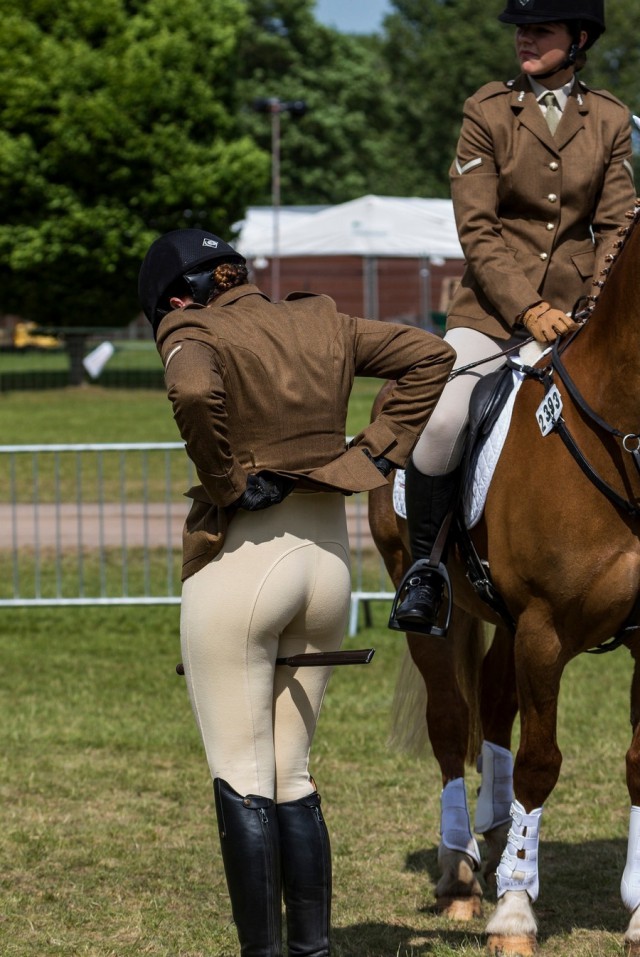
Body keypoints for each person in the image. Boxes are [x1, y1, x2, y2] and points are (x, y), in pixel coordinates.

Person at [137, 227, 456, 957]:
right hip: (326, 567)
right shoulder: (320, 320)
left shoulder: (193, 324)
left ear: (179, 296)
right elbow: (430, 354)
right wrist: (370, 453)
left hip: (245, 565)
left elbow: (189, 386)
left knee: (243, 772)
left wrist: (225, 482)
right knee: (293, 771)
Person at [392, 0, 637, 635]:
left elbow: (616, 225)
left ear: (579, 39)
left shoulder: (609, 118)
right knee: (445, 420)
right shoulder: (489, 110)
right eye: (522, 29)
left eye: (542, 29)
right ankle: (425, 571)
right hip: (492, 316)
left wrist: (589, 306)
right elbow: (477, 227)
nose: (525, 39)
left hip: (581, 317)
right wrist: (528, 306)